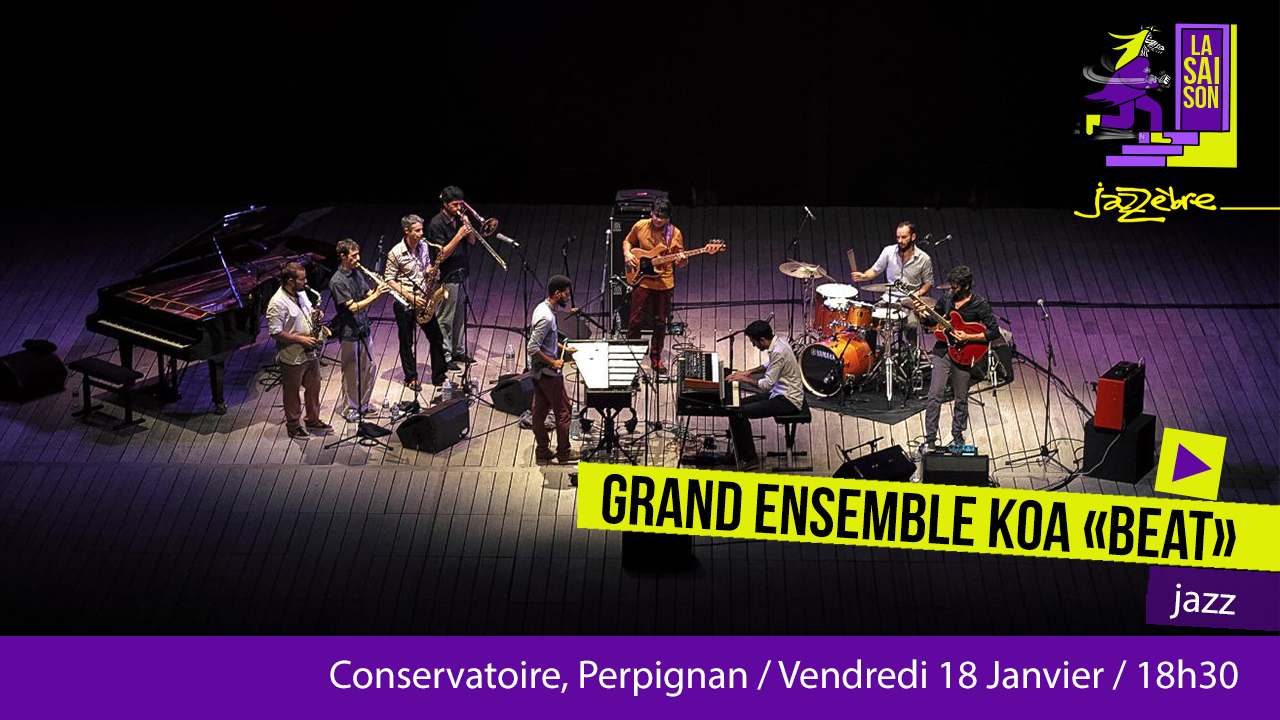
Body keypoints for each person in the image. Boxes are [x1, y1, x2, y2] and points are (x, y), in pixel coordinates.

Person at [919, 265, 1000, 451]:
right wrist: (923, 317)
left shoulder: (980, 304)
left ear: (967, 286)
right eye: (951, 286)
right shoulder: (947, 298)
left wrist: (968, 337)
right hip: (943, 350)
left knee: (961, 397)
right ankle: (930, 439)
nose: (951, 290)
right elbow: (933, 320)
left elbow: (993, 332)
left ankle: (957, 434)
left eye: (955, 287)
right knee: (934, 395)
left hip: (964, 353)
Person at [725, 320, 805, 471]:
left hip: (788, 400)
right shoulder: (779, 343)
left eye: (753, 342)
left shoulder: (779, 351)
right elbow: (769, 364)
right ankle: (739, 453)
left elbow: (766, 385)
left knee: (739, 412)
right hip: (779, 393)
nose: (754, 345)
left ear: (762, 340)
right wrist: (748, 372)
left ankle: (750, 458)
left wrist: (743, 379)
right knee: (735, 407)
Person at [265, 262, 333, 438]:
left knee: (314, 387)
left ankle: (312, 419)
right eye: (302, 279)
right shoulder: (277, 303)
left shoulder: (301, 293)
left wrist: (315, 313)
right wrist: (301, 339)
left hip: (310, 351)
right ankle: (293, 425)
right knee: (292, 392)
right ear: (290, 281)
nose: (306, 281)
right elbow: (275, 332)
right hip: (292, 355)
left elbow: (307, 310)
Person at [386, 214, 449, 390]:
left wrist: (432, 271)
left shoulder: (423, 246)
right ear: (406, 231)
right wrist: (410, 296)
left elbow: (426, 266)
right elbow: (389, 280)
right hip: (405, 303)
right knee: (407, 342)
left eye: (421, 229)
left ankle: (439, 376)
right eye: (417, 230)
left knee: (436, 337)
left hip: (424, 299)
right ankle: (411, 377)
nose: (422, 233)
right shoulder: (395, 253)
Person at [328, 239, 388, 422]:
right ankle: (350, 409)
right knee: (351, 373)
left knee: (370, 368)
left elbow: (366, 294)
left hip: (363, 327)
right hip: (349, 332)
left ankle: (363, 405)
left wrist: (378, 287)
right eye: (354, 256)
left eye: (358, 254)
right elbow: (353, 307)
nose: (358, 259)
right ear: (343, 256)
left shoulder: (356, 273)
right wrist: (376, 296)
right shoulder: (337, 281)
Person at [622, 197, 685, 373]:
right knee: (635, 319)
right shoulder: (640, 225)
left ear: (668, 218)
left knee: (660, 322)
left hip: (664, 282)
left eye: (662, 217)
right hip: (642, 279)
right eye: (656, 215)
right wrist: (628, 253)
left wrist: (682, 260)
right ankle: (631, 355)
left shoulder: (675, 234)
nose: (658, 219)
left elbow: (681, 262)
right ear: (651, 213)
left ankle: (656, 357)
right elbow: (627, 241)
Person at [851, 220, 934, 350]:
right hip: (889, 298)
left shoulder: (924, 259)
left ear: (913, 237)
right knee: (870, 320)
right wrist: (863, 276)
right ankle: (869, 354)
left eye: (904, 237)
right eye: (898, 237)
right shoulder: (888, 252)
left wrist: (917, 294)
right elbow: (875, 270)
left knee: (911, 326)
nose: (900, 241)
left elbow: (929, 283)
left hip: (910, 300)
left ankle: (912, 355)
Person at [527, 275, 580, 465]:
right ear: (557, 293)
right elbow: (533, 347)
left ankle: (542, 450)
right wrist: (553, 362)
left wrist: (562, 348)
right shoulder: (546, 317)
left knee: (539, 412)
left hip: (538, 372)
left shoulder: (542, 308)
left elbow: (547, 339)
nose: (568, 297)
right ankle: (564, 452)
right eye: (566, 294)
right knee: (564, 412)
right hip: (548, 372)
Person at [426, 185, 477, 370]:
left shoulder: (458, 219)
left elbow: (472, 241)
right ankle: (445, 356)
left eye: (460, 204)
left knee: (460, 316)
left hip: (462, 272)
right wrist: (458, 235)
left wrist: (468, 227)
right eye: (455, 205)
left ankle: (457, 350)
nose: (458, 208)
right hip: (447, 275)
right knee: (446, 318)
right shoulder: (436, 224)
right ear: (445, 204)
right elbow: (441, 255)